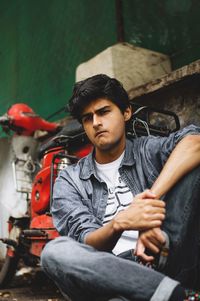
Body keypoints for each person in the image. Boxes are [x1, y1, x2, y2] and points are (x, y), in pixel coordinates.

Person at [41, 74, 200, 301]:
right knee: (54, 252)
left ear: (126, 113)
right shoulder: (70, 180)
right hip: (108, 274)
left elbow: (195, 142)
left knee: (193, 167)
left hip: (163, 255)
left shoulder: (149, 151)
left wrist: (146, 205)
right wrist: (119, 223)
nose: (96, 123)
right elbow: (86, 242)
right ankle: (172, 295)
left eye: (104, 112)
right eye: (87, 118)